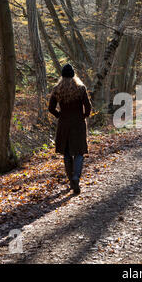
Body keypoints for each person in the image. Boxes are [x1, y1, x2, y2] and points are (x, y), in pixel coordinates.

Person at [48, 64, 91, 195]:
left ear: (62, 75)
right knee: (79, 152)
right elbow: (88, 107)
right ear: (73, 75)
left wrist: (60, 115)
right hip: (78, 124)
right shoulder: (80, 88)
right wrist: (83, 116)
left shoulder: (57, 89)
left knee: (66, 153)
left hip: (64, 125)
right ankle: (76, 177)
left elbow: (51, 108)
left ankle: (71, 182)